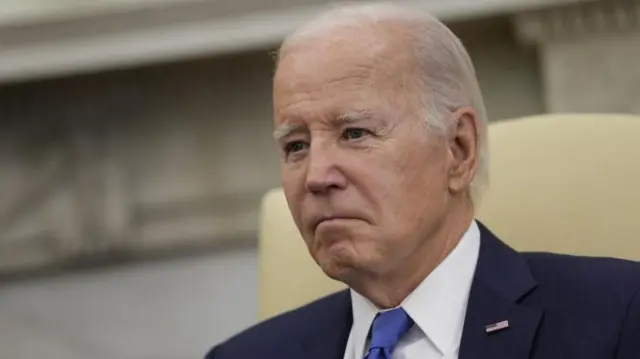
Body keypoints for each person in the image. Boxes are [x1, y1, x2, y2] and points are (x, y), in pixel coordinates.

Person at [205, 3, 640, 359]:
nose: (316, 177)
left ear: (458, 150)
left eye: (355, 133)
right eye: (296, 146)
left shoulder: (619, 317)